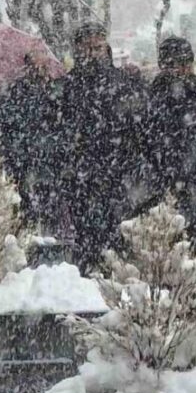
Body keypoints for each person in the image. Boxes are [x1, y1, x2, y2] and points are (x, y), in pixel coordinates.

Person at [59, 22, 149, 271]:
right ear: (78, 49)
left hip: (118, 176)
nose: (93, 53)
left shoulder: (123, 81)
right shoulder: (69, 86)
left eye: (97, 47)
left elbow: (139, 127)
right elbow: (62, 130)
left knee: (117, 246)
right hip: (82, 179)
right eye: (87, 48)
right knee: (86, 244)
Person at [143, 36, 196, 250]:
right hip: (161, 188)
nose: (180, 70)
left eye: (185, 63)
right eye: (173, 65)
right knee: (163, 257)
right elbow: (143, 143)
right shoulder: (149, 96)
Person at [0, 51, 62, 229]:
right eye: (38, 64)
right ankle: (32, 229)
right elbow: (8, 120)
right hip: (26, 154)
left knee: (46, 198)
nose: (42, 68)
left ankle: (42, 228)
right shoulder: (20, 90)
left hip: (42, 155)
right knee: (28, 197)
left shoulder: (52, 90)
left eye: (44, 65)